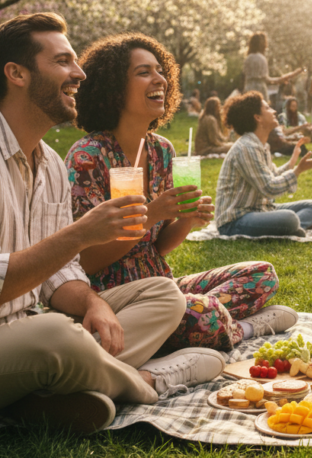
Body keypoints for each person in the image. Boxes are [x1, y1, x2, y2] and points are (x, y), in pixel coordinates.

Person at [0, 13, 224, 434]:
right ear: (17, 74)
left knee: (163, 295)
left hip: (21, 334)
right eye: (63, 61)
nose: (79, 73)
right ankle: (149, 381)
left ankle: (40, 399)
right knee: (56, 336)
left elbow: (60, 274)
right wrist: (82, 233)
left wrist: (92, 303)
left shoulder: (47, 163)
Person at [65, 33, 296, 354]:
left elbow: (159, 246)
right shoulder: (88, 157)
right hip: (115, 295)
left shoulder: (162, 151)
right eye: (143, 72)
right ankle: (236, 326)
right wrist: (152, 214)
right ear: (113, 88)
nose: (159, 78)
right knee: (204, 315)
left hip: (164, 285)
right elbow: (84, 262)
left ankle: (204, 318)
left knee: (261, 274)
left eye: (160, 71)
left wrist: (185, 217)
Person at [216, 91, 312, 238]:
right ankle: (292, 228)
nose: (274, 111)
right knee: (289, 218)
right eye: (267, 108)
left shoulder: (261, 145)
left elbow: (271, 176)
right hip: (235, 220)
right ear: (258, 118)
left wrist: (293, 162)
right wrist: (297, 171)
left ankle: (292, 229)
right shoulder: (246, 148)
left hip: (260, 209)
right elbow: (269, 188)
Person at [242, 32, 302, 98]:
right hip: (259, 90)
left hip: (248, 88)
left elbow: (245, 76)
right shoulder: (261, 58)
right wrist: (280, 79)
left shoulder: (247, 58)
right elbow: (266, 79)